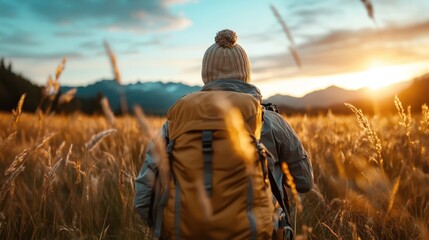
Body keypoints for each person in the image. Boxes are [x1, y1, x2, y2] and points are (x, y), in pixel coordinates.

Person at [134, 29, 313, 239]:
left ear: (206, 76)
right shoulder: (272, 122)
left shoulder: (174, 124)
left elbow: (143, 200)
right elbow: (304, 182)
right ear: (246, 74)